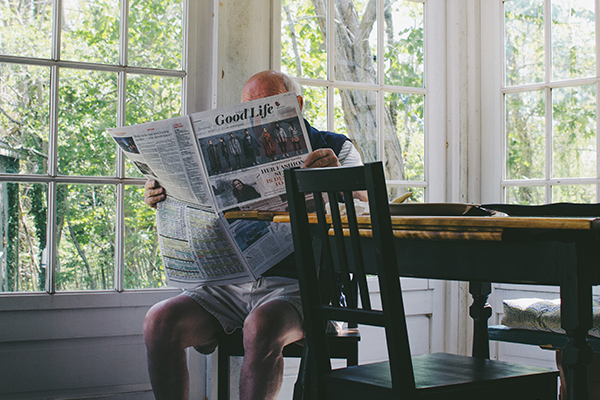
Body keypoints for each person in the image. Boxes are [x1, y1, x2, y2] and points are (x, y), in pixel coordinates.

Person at [142, 70, 364, 400]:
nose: (258, 118)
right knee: (159, 321)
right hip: (229, 284)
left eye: (268, 106)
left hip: (300, 288)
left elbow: (368, 209)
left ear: (297, 104)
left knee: (261, 326)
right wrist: (162, 194)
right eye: (249, 109)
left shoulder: (334, 148)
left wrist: (336, 181)